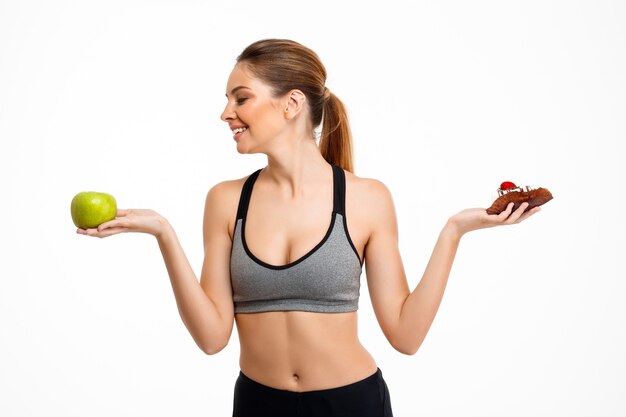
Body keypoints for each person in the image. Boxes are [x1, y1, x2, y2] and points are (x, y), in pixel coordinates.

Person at [77, 39, 541, 416]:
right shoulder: (225, 201)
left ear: (292, 104)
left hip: (352, 404)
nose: (226, 114)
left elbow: (406, 335)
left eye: (241, 98)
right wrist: (163, 233)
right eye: (227, 101)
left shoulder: (366, 198)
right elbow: (212, 338)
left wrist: (454, 231)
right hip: (258, 404)